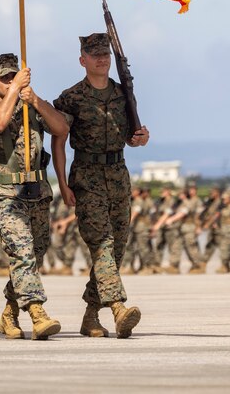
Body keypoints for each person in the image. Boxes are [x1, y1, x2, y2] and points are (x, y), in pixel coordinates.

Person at [53, 33, 150, 339]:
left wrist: (140, 138)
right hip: (87, 175)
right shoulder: (71, 97)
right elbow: (59, 140)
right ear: (83, 60)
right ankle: (118, 307)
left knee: (117, 246)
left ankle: (90, 315)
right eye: (94, 55)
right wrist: (62, 181)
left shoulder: (123, 94)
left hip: (118, 174)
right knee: (102, 243)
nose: (102, 59)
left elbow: (132, 136)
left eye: (105, 54)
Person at [0, 54, 69, 340]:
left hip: (37, 191)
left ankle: (9, 313)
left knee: (34, 255)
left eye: (13, 76)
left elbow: (61, 128)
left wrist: (35, 99)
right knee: (22, 251)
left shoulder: (33, 108)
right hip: (7, 194)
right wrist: (16, 90)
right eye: (4, 78)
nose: (9, 82)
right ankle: (37, 313)